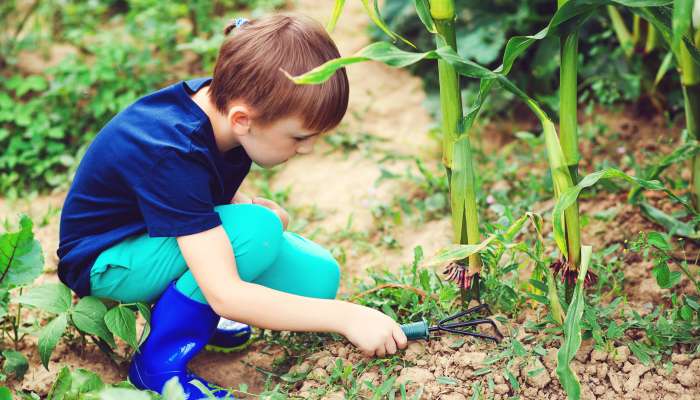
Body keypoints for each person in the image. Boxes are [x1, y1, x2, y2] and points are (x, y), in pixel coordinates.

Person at [56, 13, 408, 398]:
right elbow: (225, 288)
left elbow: (204, 193)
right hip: (106, 262)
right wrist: (348, 316)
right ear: (243, 119)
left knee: (316, 279)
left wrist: (254, 212)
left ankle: (195, 309)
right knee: (254, 234)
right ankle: (157, 366)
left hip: (157, 238)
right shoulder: (172, 151)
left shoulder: (224, 113)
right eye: (300, 137)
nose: (307, 148)